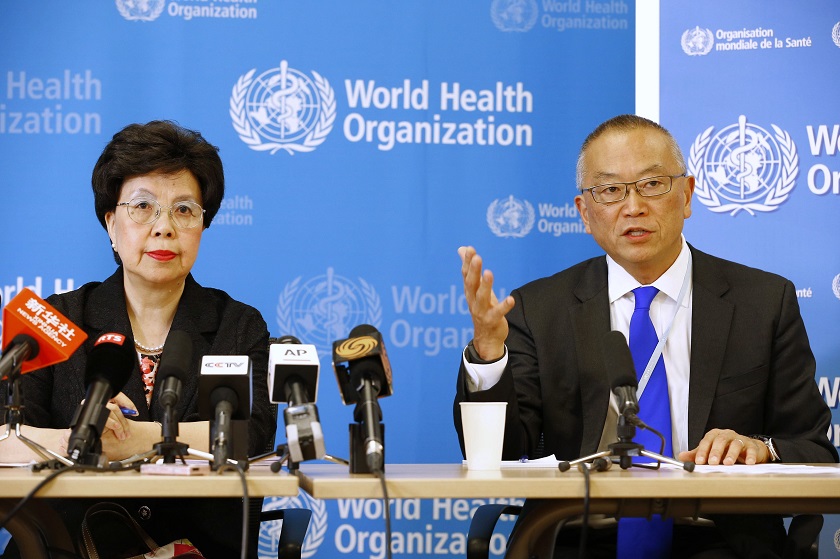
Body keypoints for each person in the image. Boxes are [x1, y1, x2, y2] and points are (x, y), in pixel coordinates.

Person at [454, 114, 837, 558]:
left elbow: (815, 449)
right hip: (577, 537)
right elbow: (497, 453)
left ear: (688, 195)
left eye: (652, 184)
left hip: (720, 540)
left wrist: (760, 448)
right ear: (584, 213)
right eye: (611, 191)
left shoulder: (763, 302)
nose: (633, 206)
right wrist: (487, 352)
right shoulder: (540, 311)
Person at [0, 120, 275, 558]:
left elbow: (249, 436)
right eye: (142, 206)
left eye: (184, 209)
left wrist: (132, 440)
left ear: (204, 225)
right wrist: (77, 440)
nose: (164, 227)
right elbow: (5, 432)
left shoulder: (238, 326)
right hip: (66, 548)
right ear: (111, 223)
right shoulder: (53, 318)